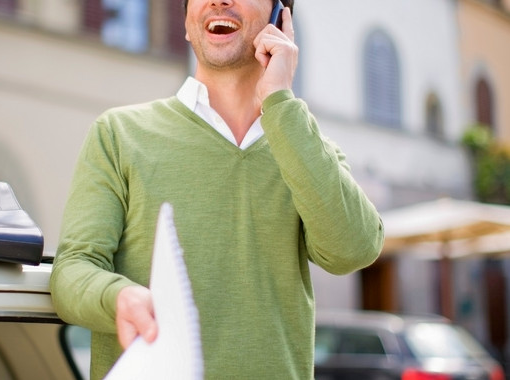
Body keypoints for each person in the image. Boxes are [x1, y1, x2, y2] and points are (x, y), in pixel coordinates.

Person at [50, 0, 384, 378]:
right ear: (187, 22)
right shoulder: (119, 134)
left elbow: (355, 249)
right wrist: (118, 298)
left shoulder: (304, 148)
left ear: (281, 18)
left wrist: (280, 102)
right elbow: (71, 271)